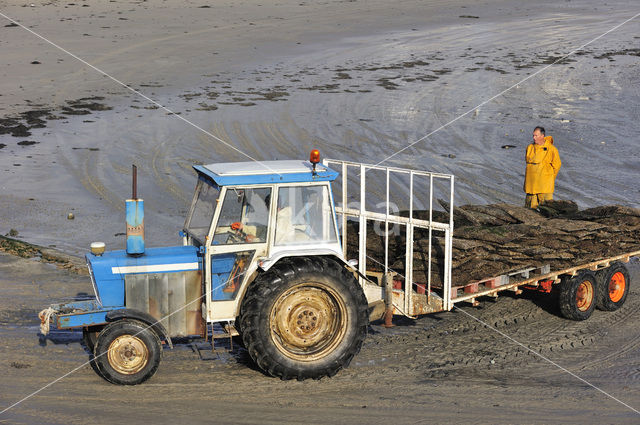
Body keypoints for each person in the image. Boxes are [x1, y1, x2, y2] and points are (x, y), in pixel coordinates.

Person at [523, 126, 561, 209]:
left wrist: (549, 178)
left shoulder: (551, 149)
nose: (534, 138)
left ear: (542, 135)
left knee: (548, 210)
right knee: (529, 211)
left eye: (536, 135)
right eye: (533, 135)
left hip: (545, 186)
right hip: (531, 186)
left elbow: (557, 165)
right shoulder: (529, 147)